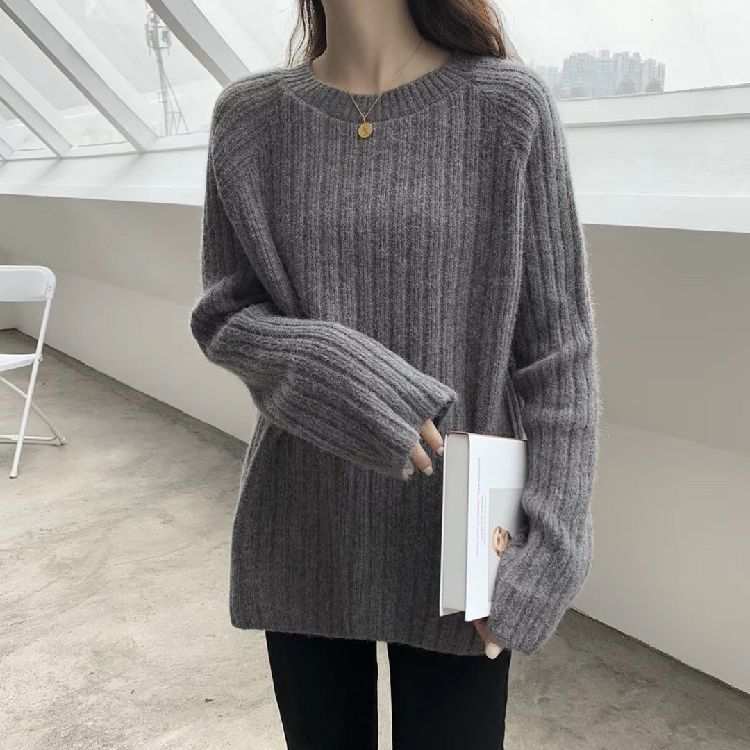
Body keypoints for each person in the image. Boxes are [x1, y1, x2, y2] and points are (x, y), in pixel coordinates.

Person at [189, 0, 601, 747]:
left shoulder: (508, 107)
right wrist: (334, 369)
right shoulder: (248, 120)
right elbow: (224, 315)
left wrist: (553, 547)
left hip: (465, 543)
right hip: (305, 524)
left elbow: (559, 351)